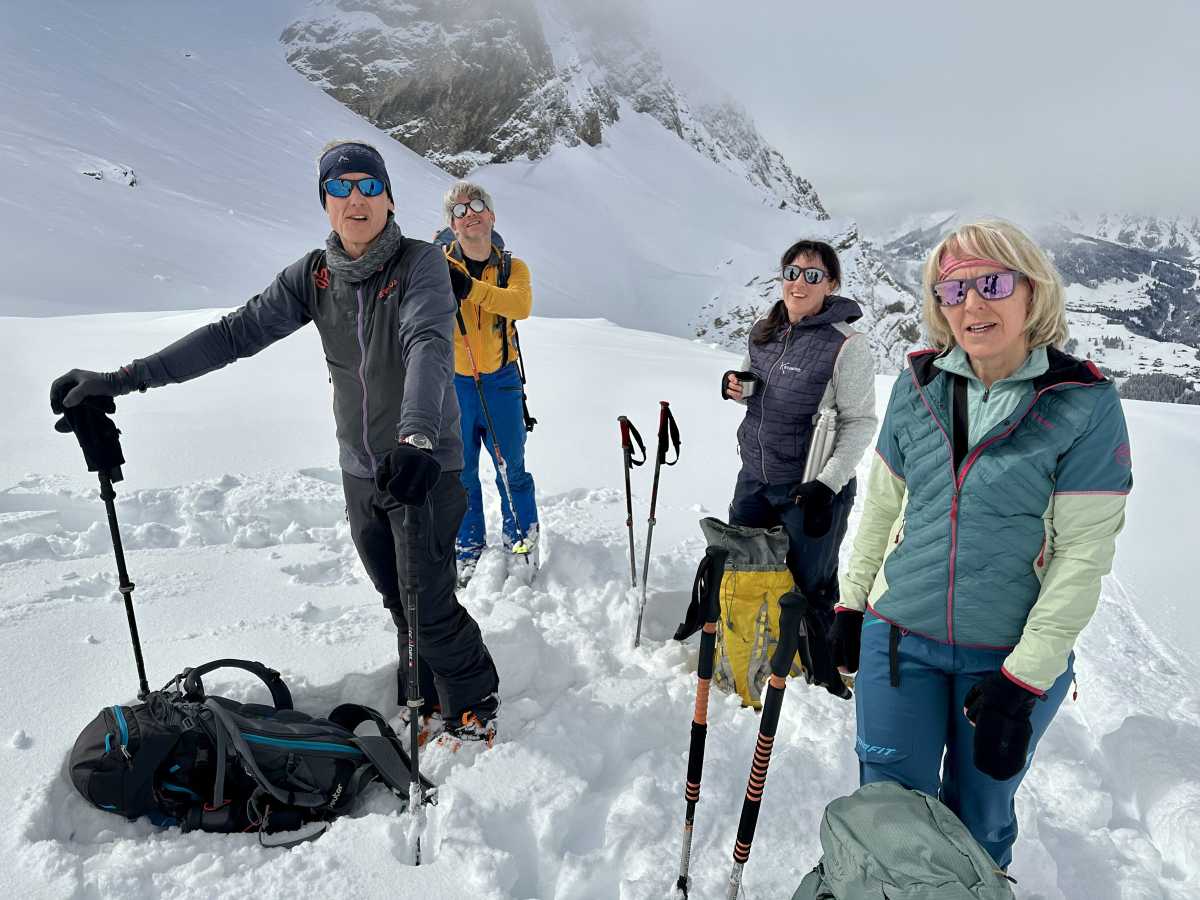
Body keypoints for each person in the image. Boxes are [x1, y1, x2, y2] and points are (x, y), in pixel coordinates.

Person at [49, 140, 500, 744]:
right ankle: (421, 688)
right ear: (325, 203)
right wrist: (122, 379)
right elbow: (231, 335)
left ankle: (474, 698)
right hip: (361, 470)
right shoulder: (313, 277)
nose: (356, 198)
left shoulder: (420, 264)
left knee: (430, 601)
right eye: (340, 187)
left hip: (423, 464)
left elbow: (428, 343)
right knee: (398, 597)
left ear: (390, 199)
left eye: (369, 185)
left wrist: (417, 434)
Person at [830, 219, 1132, 869]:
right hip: (898, 639)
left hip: (1005, 657)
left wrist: (1026, 680)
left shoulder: (1083, 402)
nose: (971, 303)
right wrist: (851, 605)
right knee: (888, 815)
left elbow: (1083, 556)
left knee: (979, 820)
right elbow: (882, 508)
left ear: (1033, 291)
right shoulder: (917, 385)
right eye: (952, 289)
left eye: (992, 283)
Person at [721, 239, 877, 619]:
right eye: (792, 272)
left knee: (809, 591)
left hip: (810, 488)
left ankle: (815, 655)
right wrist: (736, 387)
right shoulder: (764, 330)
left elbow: (860, 421)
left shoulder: (847, 345)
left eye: (812, 275)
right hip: (754, 479)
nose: (799, 283)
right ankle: (751, 648)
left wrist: (827, 485)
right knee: (744, 577)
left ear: (831, 283)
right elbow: (755, 389)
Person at [439, 180, 538, 584]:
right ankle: (467, 546)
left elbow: (520, 305)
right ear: (452, 225)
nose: (469, 214)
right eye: (459, 211)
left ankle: (522, 540)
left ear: (492, 215)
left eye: (477, 205)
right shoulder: (437, 266)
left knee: (511, 468)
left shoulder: (513, 268)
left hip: (502, 382)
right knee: (460, 472)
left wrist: (468, 288)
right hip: (454, 384)